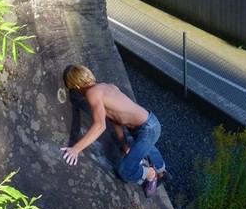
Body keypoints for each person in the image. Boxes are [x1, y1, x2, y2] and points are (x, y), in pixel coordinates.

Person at [61, 65, 168, 197]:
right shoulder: (108, 86)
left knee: (125, 171)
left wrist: (75, 149)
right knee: (147, 147)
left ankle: (151, 174)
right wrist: (124, 145)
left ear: (77, 86)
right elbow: (114, 118)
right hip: (148, 122)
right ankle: (162, 172)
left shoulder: (92, 93)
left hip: (147, 128)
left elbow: (100, 125)